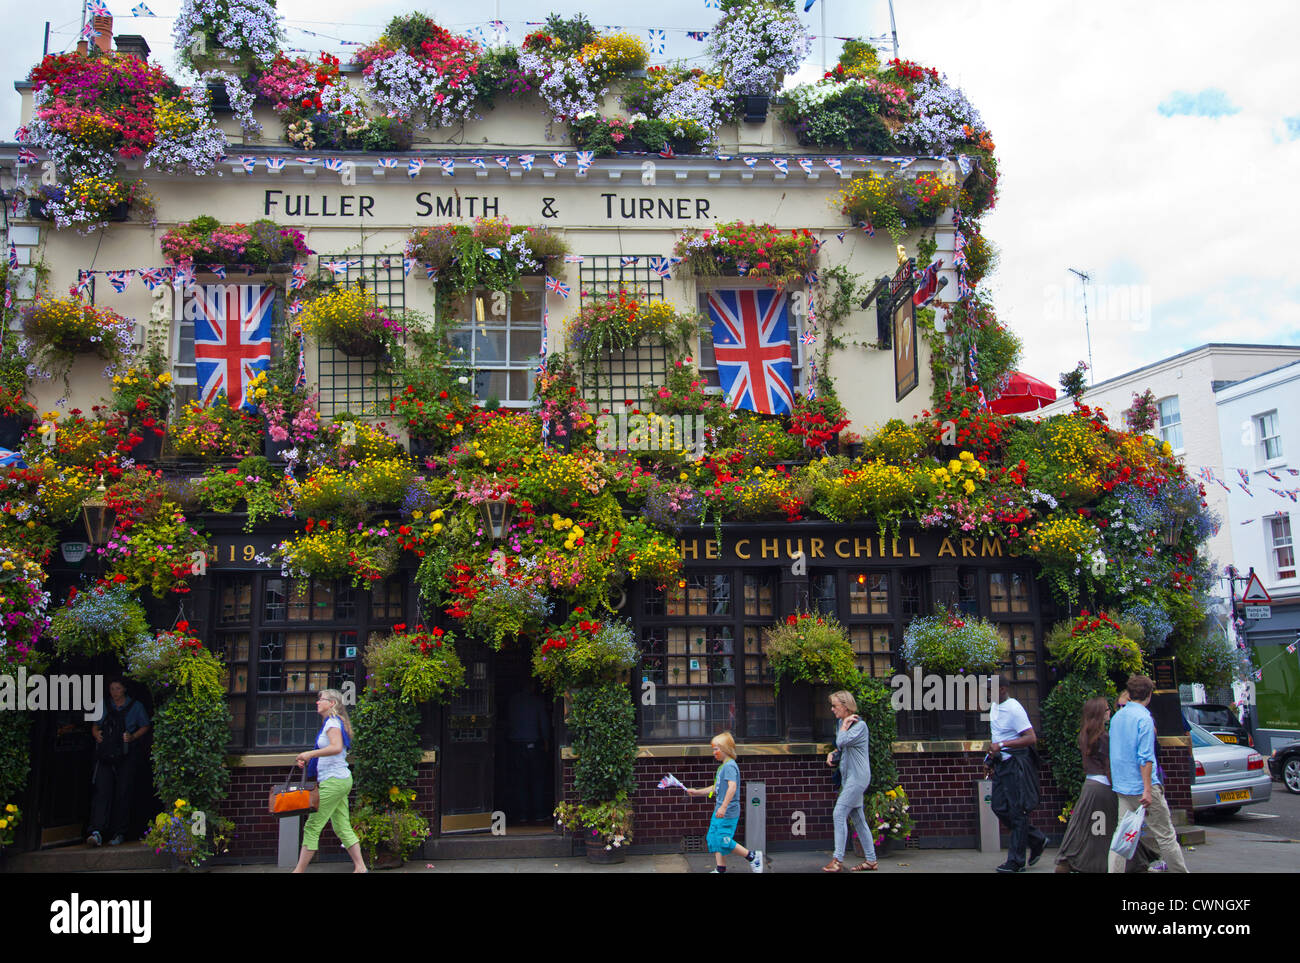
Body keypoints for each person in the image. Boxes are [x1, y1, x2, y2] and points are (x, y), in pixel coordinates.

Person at [1055, 697, 1154, 873]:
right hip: (1104, 788)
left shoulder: (1084, 735)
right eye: (1107, 709)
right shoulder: (1105, 738)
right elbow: (1110, 767)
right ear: (1100, 714)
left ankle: (1066, 862)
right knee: (1119, 827)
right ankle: (1137, 864)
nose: (1110, 712)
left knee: (1083, 828)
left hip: (1089, 787)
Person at [1107, 675, 1189, 873]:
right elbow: (1145, 757)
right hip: (1144, 787)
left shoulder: (1117, 717)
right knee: (1166, 836)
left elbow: (1116, 752)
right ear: (1149, 695)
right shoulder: (1143, 718)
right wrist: (1147, 790)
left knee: (1122, 835)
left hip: (1123, 786)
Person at [293, 689, 366, 873]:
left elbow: (336, 747)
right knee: (341, 825)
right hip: (339, 779)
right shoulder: (333, 722)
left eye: (321, 699)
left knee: (312, 825)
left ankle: (298, 871)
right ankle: (360, 867)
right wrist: (309, 759)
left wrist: (310, 753)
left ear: (332, 703)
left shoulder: (332, 722)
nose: (317, 702)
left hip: (334, 780)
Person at [985, 679, 1047, 873]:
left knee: (1017, 812)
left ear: (1002, 689)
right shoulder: (994, 707)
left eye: (990, 690)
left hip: (1015, 765)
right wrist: (989, 758)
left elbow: (1031, 738)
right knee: (998, 806)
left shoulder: (1014, 709)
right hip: (1001, 764)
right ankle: (1036, 838)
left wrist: (1003, 746)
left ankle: (1016, 862)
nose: (987, 693)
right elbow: (997, 736)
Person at [686, 732, 763, 873]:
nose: (714, 752)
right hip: (720, 810)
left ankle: (752, 856)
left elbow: (732, 787)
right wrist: (696, 792)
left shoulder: (730, 767)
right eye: (713, 749)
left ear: (726, 749)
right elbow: (715, 788)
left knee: (722, 839)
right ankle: (721, 869)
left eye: (716, 749)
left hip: (728, 811)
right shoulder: (722, 767)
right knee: (713, 838)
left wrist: (723, 807)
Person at [87, 679, 150, 847]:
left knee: (123, 792)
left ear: (124, 689)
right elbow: (94, 725)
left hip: (126, 754)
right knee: (102, 791)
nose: (114, 692)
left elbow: (145, 725)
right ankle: (97, 831)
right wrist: (96, 735)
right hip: (106, 754)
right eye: (111, 688)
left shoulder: (135, 706)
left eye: (117, 688)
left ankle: (119, 832)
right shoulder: (104, 705)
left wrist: (133, 737)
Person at [823, 690, 877, 872]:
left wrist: (844, 728)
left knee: (838, 813)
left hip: (858, 777)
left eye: (835, 706)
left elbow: (842, 740)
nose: (832, 709)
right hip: (849, 777)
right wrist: (833, 754)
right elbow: (842, 746)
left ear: (845, 707)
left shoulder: (859, 726)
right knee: (858, 819)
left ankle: (837, 860)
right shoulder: (842, 723)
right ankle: (871, 861)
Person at [506, 678, 551, 824]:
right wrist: (546, 741)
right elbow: (544, 724)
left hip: (516, 744)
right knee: (537, 780)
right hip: (534, 744)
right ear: (532, 686)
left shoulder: (513, 701)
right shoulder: (537, 702)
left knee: (520, 781)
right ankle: (539, 813)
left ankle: (522, 814)